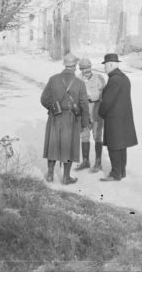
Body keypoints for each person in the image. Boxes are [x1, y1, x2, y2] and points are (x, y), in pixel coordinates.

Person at [40, 53, 89, 185]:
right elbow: (84, 105)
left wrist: (53, 108)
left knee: (53, 145)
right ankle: (66, 177)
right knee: (69, 147)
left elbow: (44, 99)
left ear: (64, 65)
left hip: (55, 117)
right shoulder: (80, 83)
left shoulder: (53, 79)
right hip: (71, 119)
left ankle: (50, 175)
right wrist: (85, 124)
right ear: (75, 67)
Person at [98, 53, 138, 181]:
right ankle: (122, 171)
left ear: (110, 65)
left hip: (114, 119)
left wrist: (101, 112)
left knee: (113, 146)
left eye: (105, 65)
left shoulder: (113, 80)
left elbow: (107, 102)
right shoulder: (124, 78)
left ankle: (115, 174)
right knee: (122, 146)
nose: (104, 68)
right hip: (124, 118)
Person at [75, 57, 106, 173]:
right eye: (83, 68)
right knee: (84, 136)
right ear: (80, 69)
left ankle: (98, 163)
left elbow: (103, 94)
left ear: (91, 67)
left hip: (96, 111)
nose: (86, 70)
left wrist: (91, 96)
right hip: (84, 112)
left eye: (88, 67)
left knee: (97, 136)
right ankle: (86, 161)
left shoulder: (99, 78)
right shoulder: (77, 79)